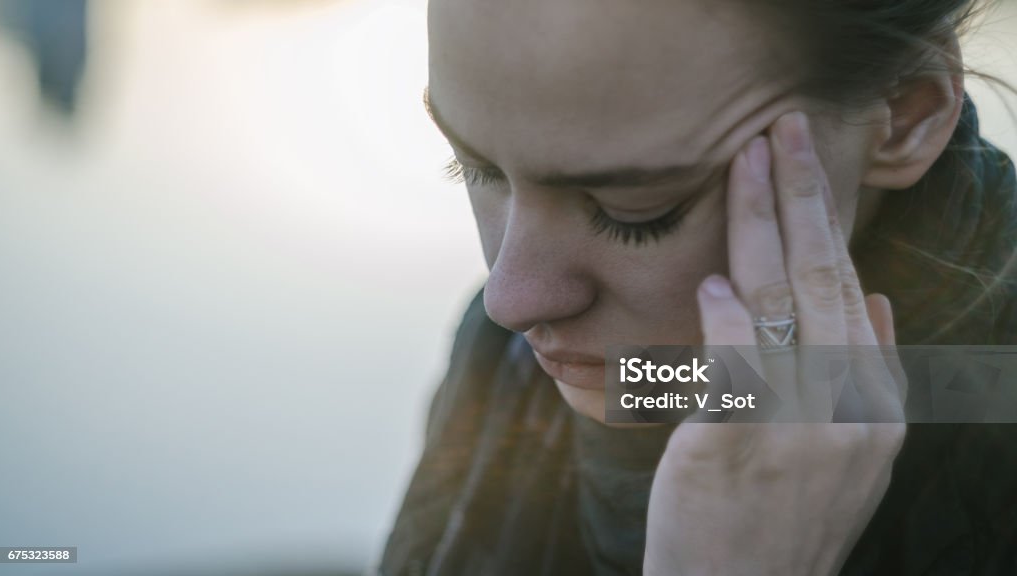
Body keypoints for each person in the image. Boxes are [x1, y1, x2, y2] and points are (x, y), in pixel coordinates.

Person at [379, 0, 1017, 573]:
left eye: (635, 210)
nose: (508, 301)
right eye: (474, 167)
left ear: (906, 114)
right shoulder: (503, 370)